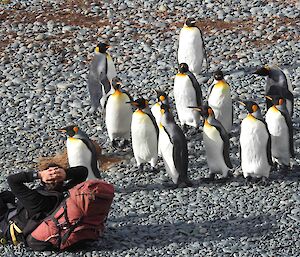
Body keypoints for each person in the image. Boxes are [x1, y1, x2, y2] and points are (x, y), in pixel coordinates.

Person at [0, 164, 88, 250]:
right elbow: (83, 171)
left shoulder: (35, 199)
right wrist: (65, 173)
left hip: (7, 224)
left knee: (5, 197)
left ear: (42, 180)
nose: (53, 173)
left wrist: (39, 174)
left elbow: (12, 180)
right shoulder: (63, 193)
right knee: (7, 195)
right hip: (30, 215)